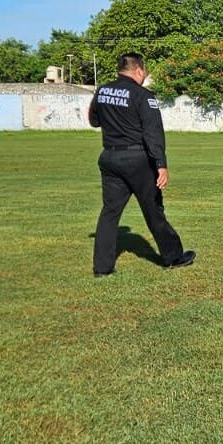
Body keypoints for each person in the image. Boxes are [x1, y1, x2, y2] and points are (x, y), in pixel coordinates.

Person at [88, 52, 194, 276]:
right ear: (138, 70)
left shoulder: (103, 90)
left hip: (110, 158)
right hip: (138, 160)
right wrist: (161, 164)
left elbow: (94, 121)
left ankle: (102, 268)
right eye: (144, 72)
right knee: (153, 210)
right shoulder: (143, 95)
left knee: (110, 213)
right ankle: (173, 257)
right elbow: (153, 133)